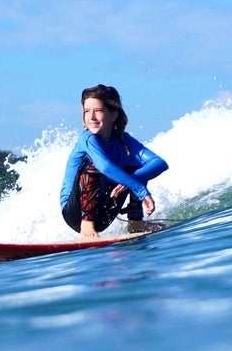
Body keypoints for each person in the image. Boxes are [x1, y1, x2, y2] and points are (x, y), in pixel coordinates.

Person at [60, 84, 169, 240]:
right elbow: (104, 166)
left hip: (105, 213)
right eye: (86, 111)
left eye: (98, 111)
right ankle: (87, 225)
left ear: (113, 115)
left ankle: (135, 222)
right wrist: (140, 190)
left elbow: (160, 163)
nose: (91, 117)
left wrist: (133, 180)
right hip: (75, 213)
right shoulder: (87, 138)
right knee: (93, 163)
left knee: (137, 166)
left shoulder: (124, 140)